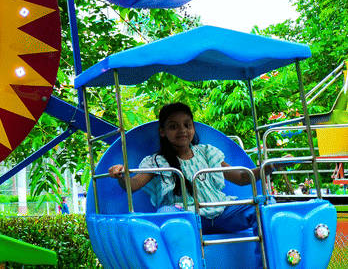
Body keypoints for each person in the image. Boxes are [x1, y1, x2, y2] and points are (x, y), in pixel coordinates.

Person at [107, 103, 273, 262]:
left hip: (221, 214)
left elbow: (242, 178)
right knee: (165, 212)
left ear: (193, 128)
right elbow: (133, 185)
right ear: (163, 132)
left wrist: (268, 166)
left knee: (265, 203)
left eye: (187, 125)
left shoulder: (207, 152)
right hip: (187, 219)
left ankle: (268, 263)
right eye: (173, 126)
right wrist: (121, 175)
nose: (182, 131)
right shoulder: (157, 161)